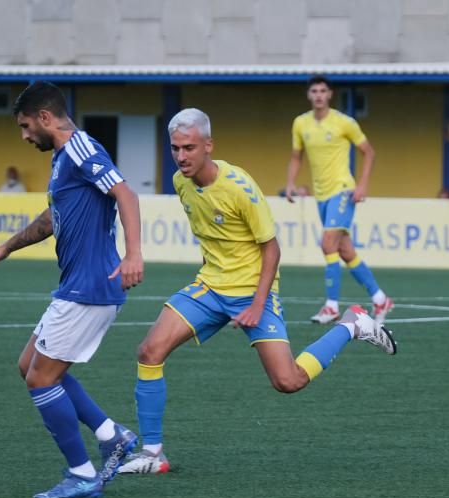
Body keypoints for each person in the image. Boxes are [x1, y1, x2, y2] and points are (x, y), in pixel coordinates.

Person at [117, 108, 397, 475]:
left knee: (288, 381)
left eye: (189, 147)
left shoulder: (239, 186)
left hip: (254, 293)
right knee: (149, 351)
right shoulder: (181, 183)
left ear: (208, 146)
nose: (181, 156)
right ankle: (153, 454)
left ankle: (352, 325)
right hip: (210, 286)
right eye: (175, 148)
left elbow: (272, 249)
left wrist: (256, 304)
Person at [0, 81, 143, 498]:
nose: (25, 135)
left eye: (27, 125)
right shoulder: (64, 159)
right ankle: (110, 435)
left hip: (90, 288)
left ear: (46, 118)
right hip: (75, 287)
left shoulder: (81, 148)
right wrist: (6, 248)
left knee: (40, 379)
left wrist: (133, 254)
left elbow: (126, 193)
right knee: (28, 364)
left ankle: (82, 475)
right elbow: (52, 219)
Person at [286, 75, 394, 325]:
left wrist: (362, 185)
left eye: (323, 90)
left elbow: (369, 152)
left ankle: (331, 306)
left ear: (330, 94)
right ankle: (380, 299)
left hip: (343, 190)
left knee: (327, 243)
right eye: (314, 91)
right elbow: (295, 156)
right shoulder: (300, 124)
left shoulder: (344, 123)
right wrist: (291, 183)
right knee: (345, 251)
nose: (319, 95)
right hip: (321, 195)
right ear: (308, 95)